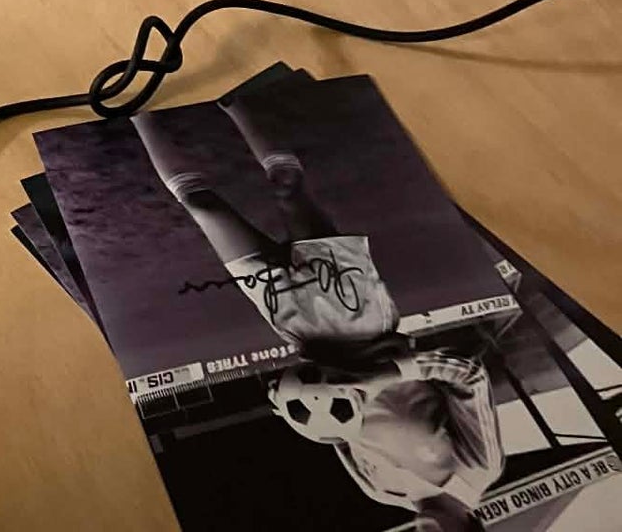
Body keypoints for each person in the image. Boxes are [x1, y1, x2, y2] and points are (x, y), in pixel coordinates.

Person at [134, 100, 504, 523]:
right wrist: (380, 375)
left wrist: (290, 401)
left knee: (203, 207)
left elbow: (332, 430)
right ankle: (235, 100)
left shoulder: (380, 491)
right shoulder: (479, 468)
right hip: (358, 314)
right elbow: (469, 374)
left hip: (300, 333)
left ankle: (135, 113)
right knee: (288, 188)